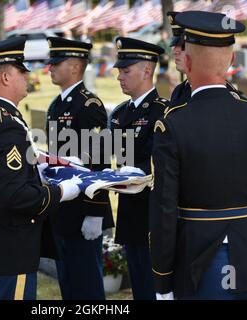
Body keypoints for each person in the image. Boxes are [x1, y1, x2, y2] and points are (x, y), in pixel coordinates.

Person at [150, 10, 247, 300]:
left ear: (188, 62)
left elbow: (164, 212)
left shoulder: (173, 125)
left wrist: (162, 282)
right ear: (232, 61)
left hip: (200, 264)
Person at [0, 37, 82, 300]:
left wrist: (43, 160)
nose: (28, 75)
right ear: (5, 77)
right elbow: (14, 195)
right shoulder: (6, 125)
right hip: (11, 251)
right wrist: (62, 190)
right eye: (21, 70)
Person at [45, 37, 113, 300]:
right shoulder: (57, 105)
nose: (50, 68)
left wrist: (95, 212)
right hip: (62, 206)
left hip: (84, 209)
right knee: (68, 283)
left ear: (74, 67)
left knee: (87, 285)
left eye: (56, 63)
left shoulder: (89, 106)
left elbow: (99, 161)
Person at [108, 37, 168, 300]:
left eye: (126, 70)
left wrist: (132, 172)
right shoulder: (120, 113)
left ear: (147, 70)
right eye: (119, 70)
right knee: (139, 286)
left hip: (153, 214)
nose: (119, 76)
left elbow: (162, 162)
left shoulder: (162, 112)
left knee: (155, 288)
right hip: (130, 214)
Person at [166, 11, 247, 107]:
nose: (175, 51)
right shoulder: (180, 90)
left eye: (183, 45)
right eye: (175, 45)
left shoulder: (232, 98)